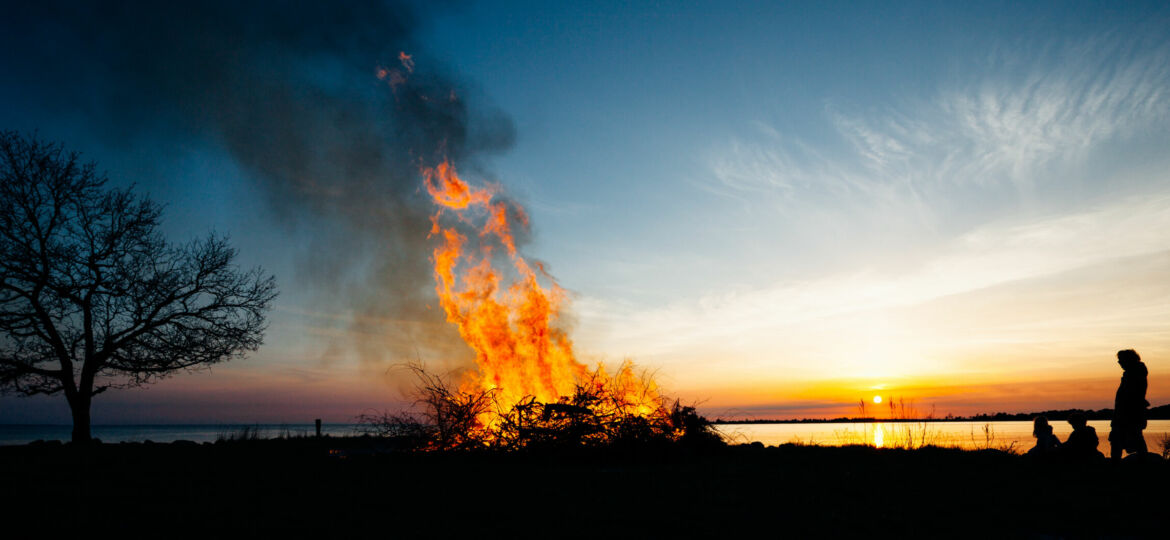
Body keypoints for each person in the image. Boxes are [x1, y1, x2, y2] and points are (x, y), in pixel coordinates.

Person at [1109, 349, 1149, 462]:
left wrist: (1120, 414)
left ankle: (1116, 464)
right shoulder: (1134, 373)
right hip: (1128, 413)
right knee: (1133, 438)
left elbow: (1131, 396)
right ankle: (1142, 461)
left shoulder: (1134, 374)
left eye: (1120, 360)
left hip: (1128, 414)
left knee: (1120, 438)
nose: (1119, 363)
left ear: (1128, 360)